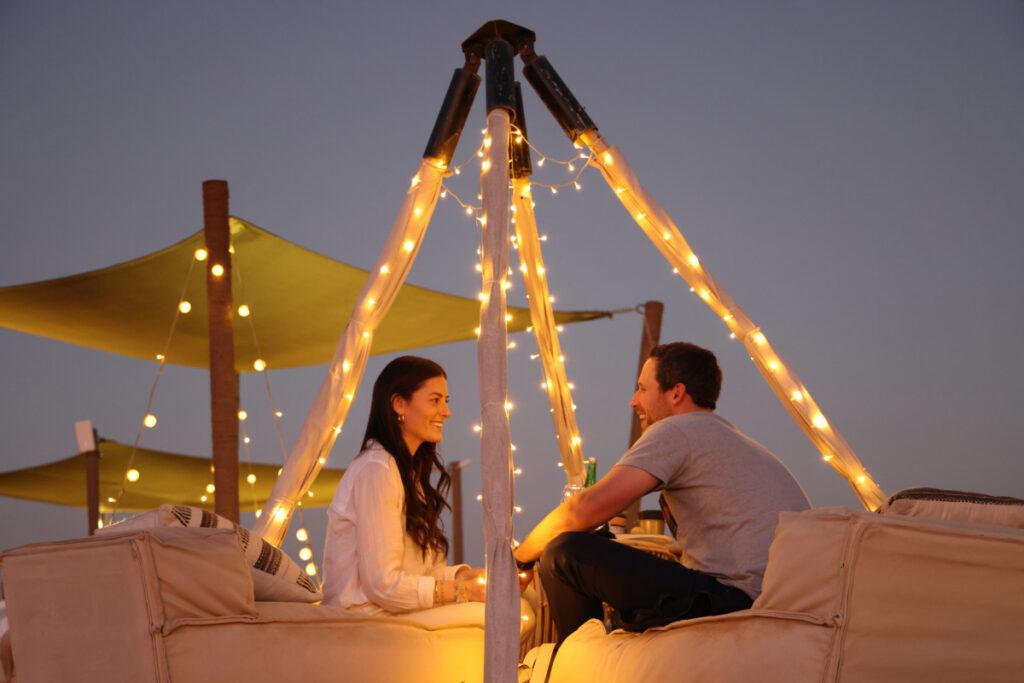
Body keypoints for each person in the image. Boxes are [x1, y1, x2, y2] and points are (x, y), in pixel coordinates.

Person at [513, 342, 811, 642]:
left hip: (735, 600)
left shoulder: (679, 429)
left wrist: (520, 561)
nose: (633, 401)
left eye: (643, 389)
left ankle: (576, 658)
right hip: (779, 602)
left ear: (676, 393)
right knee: (593, 544)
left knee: (564, 551)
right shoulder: (733, 440)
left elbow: (582, 511)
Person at [322, 355, 486, 617]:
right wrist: (462, 591)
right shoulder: (376, 470)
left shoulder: (405, 472)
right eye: (435, 400)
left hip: (395, 612)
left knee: (515, 598)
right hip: (367, 618)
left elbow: (418, 575)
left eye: (446, 400)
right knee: (497, 614)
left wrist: (467, 577)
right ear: (399, 404)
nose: (446, 412)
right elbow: (383, 585)